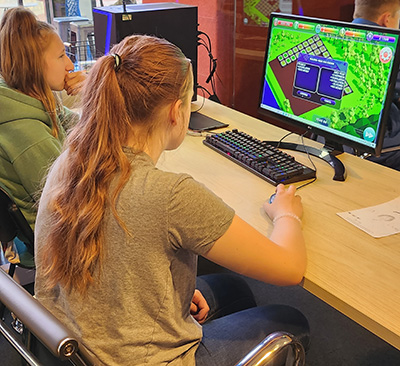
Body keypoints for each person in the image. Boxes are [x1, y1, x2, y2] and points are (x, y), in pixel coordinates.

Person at [34, 35, 309, 366]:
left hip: (74, 346)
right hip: (139, 360)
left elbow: (108, 246)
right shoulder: (171, 194)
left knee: (235, 289)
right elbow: (290, 269)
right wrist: (286, 214)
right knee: (292, 321)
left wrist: (162, 289)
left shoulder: (72, 161)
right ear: (176, 112)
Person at [0, 8, 86, 265]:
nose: (70, 64)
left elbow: (79, 126)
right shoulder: (28, 134)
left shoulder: (23, 98)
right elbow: (73, 201)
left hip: (58, 226)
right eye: (61, 56)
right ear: (34, 65)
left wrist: (93, 89)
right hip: (60, 245)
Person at [353, 0, 400, 170]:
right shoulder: (390, 47)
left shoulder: (336, 37)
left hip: (333, 142)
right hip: (375, 151)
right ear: (386, 19)